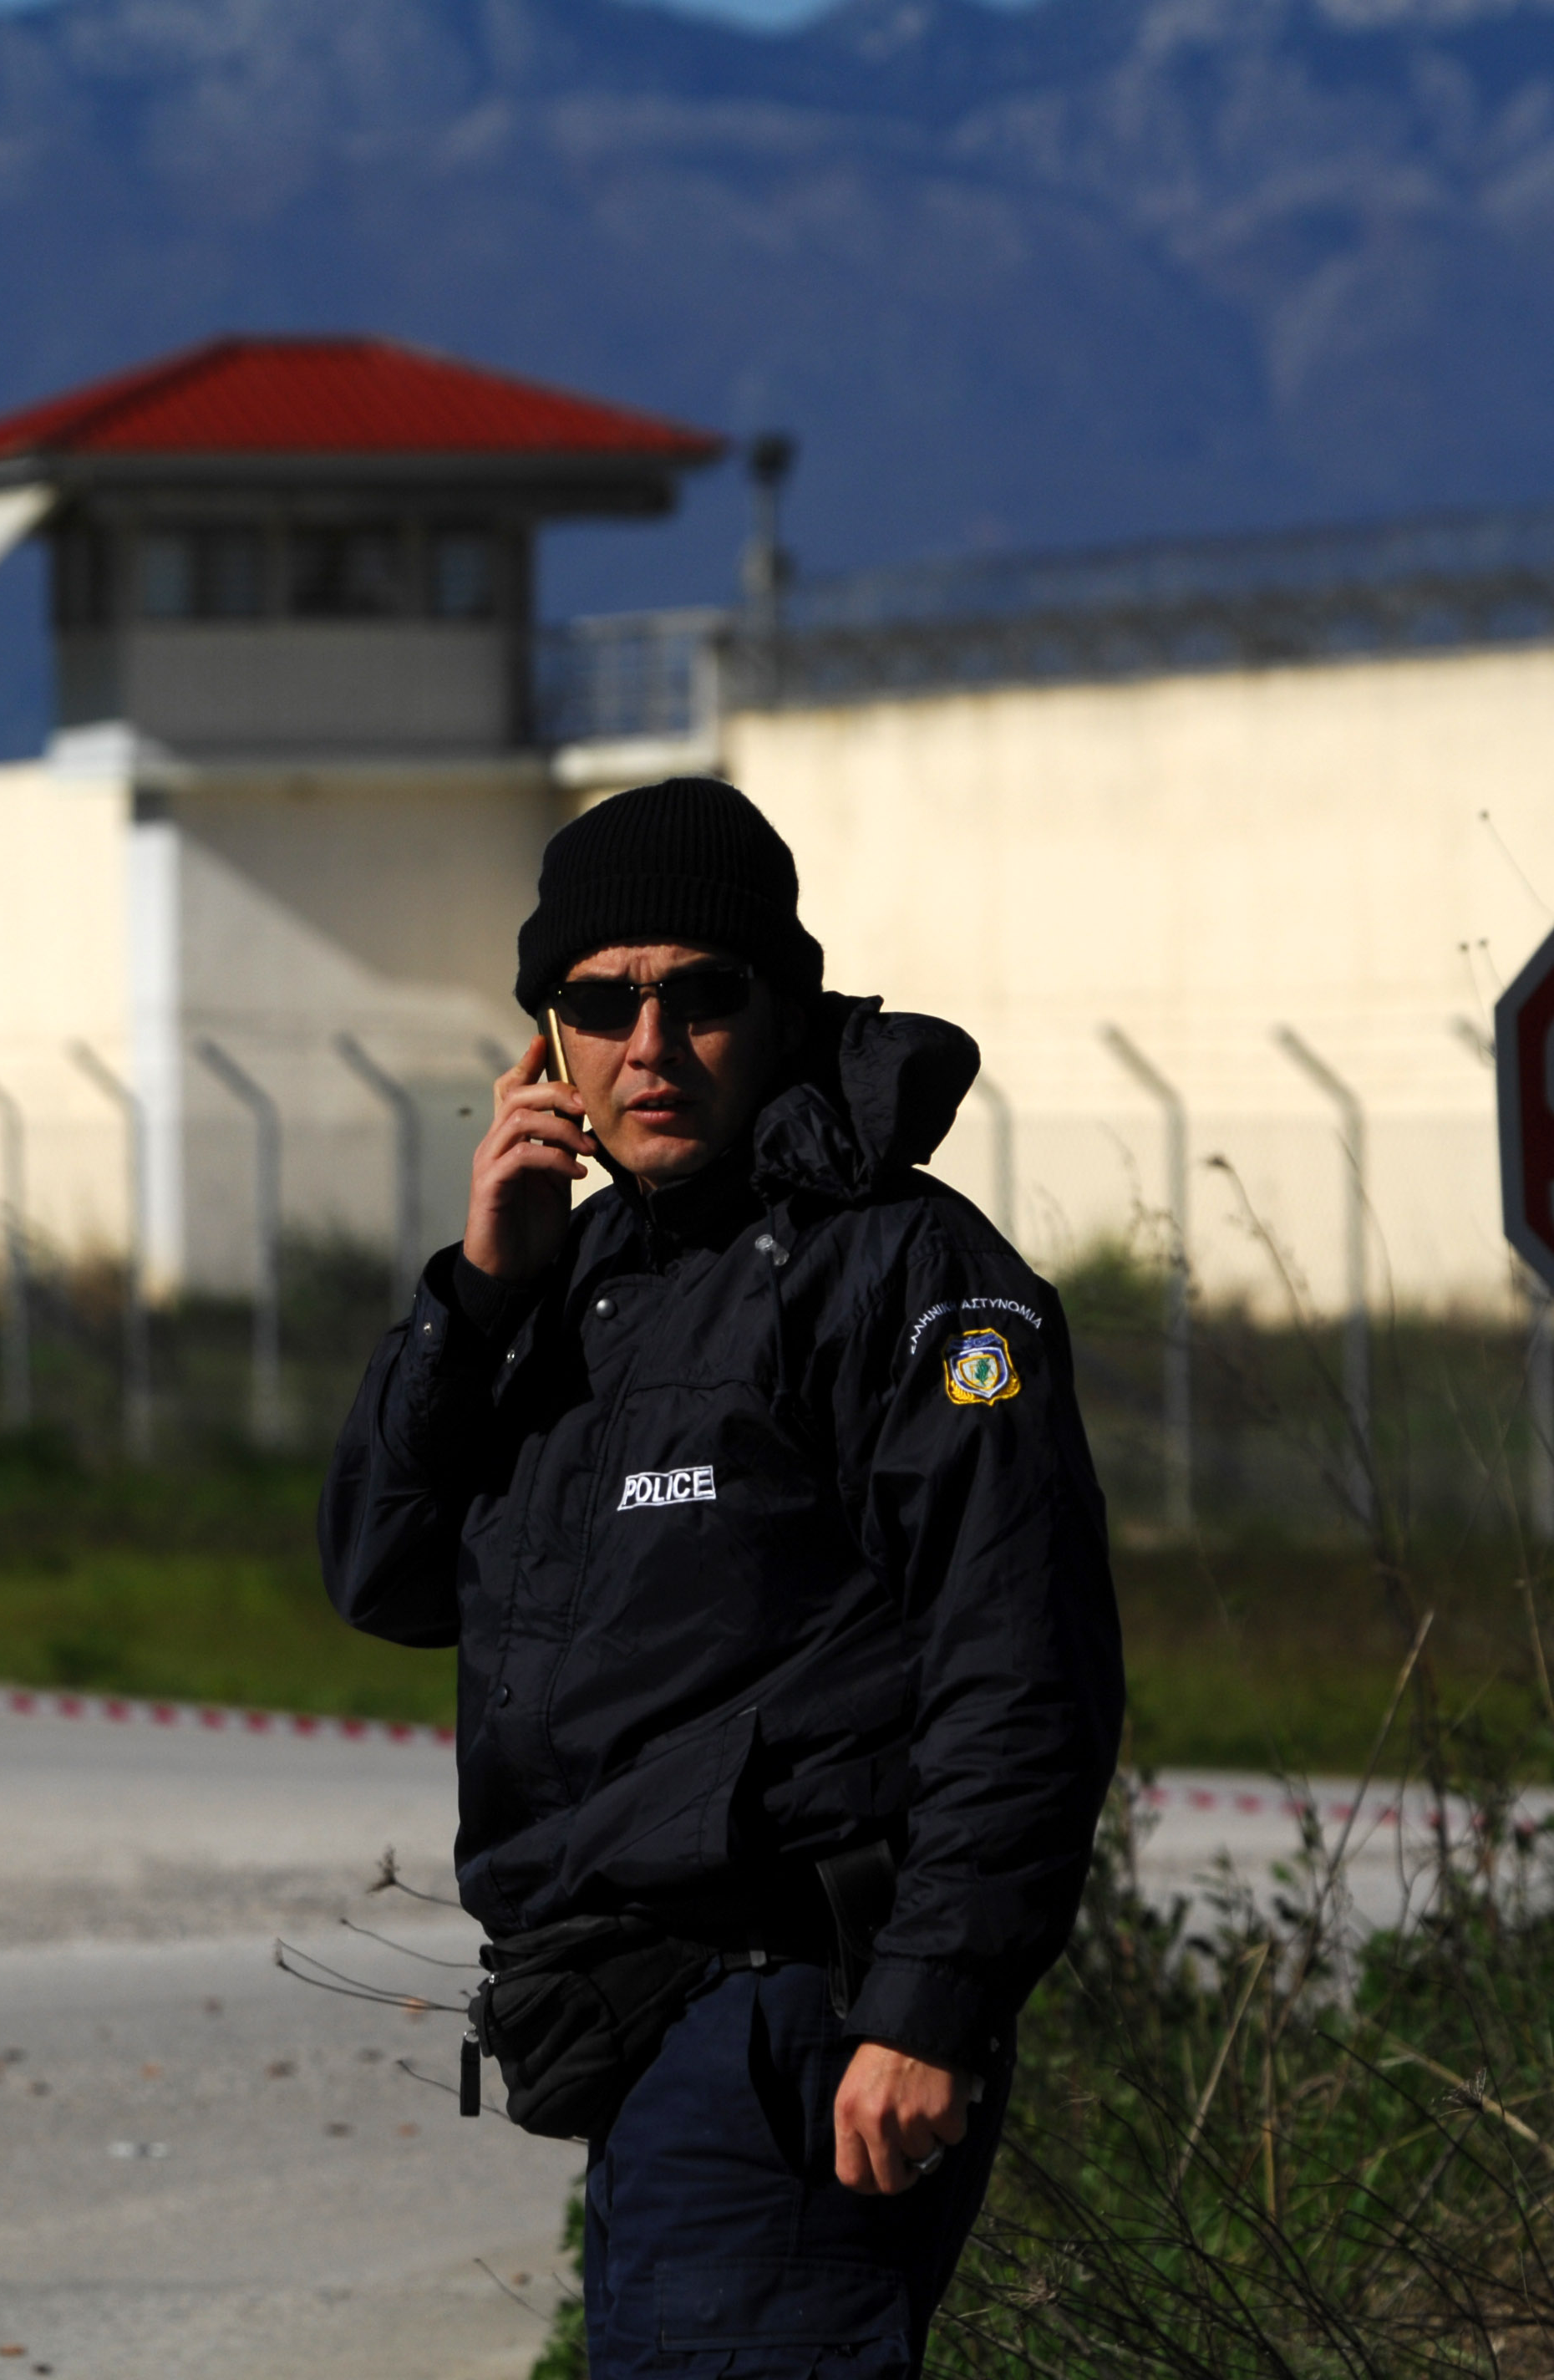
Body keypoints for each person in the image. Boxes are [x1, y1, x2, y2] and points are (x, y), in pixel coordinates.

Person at [318, 776, 1123, 2376]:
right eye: (600, 1004)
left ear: (785, 1006)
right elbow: (386, 1576)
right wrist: (477, 1297)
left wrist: (924, 2007)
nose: (650, 1045)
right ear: (543, 1040)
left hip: (792, 2022)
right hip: (641, 2026)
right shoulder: (579, 1277)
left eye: (701, 994)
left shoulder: (901, 1271)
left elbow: (1018, 1662)